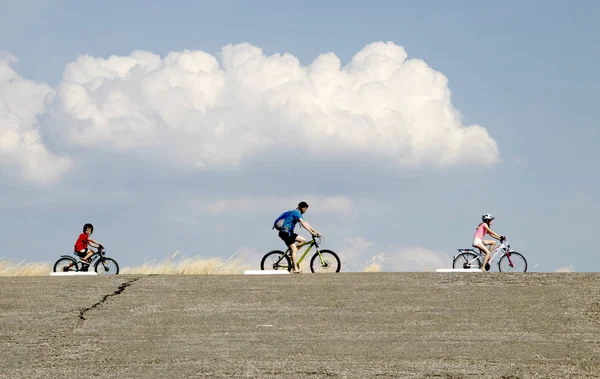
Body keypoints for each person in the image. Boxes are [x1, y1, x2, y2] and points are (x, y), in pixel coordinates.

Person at [277, 201, 320, 273]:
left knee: (303, 240)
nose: (305, 209)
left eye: (306, 207)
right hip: (285, 233)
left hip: (289, 233)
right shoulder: (296, 212)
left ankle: (291, 254)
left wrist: (315, 231)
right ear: (301, 207)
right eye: (304, 207)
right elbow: (303, 223)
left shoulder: (298, 213)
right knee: (294, 249)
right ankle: (295, 269)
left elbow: (305, 223)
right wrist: (311, 232)